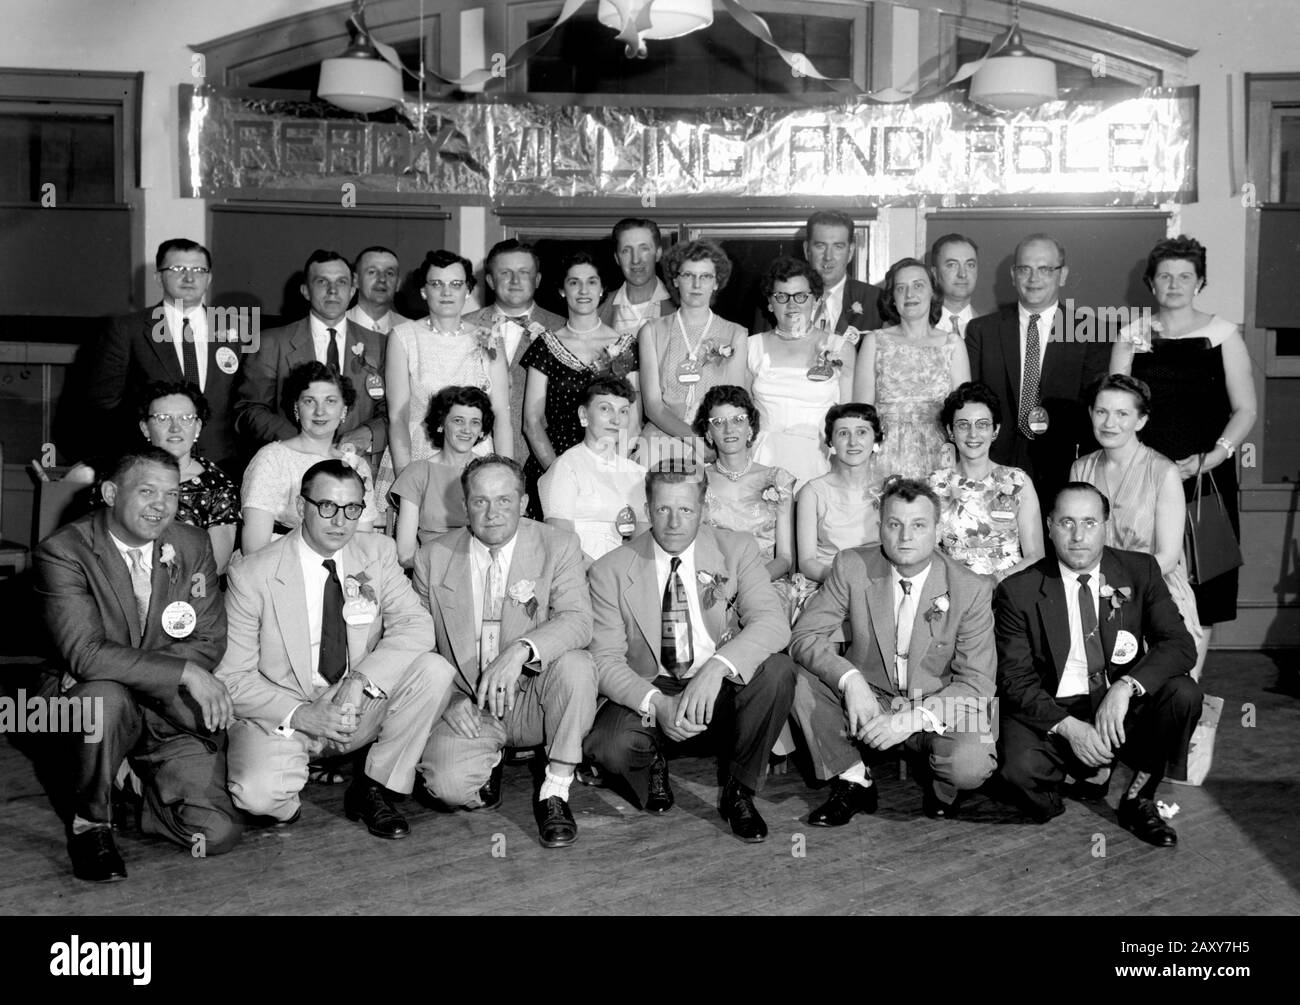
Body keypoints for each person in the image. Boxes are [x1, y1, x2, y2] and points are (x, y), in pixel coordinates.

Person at [34, 446, 242, 881]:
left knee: (217, 835)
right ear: (110, 492)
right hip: (86, 699)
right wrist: (182, 671)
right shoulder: (64, 551)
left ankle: (142, 793)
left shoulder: (190, 542)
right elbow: (85, 654)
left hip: (161, 703)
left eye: (170, 493)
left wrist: (148, 672)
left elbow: (208, 639)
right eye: (147, 491)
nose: (161, 505)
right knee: (105, 699)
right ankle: (91, 823)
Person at [217, 459, 455, 839]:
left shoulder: (377, 552)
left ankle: (374, 786)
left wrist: (360, 681)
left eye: (352, 509)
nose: (340, 521)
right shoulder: (252, 574)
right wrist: (304, 715)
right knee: (259, 797)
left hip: (353, 703)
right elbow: (232, 679)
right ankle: (291, 781)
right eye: (326, 507)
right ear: (301, 508)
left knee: (434, 670)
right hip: (286, 711)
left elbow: (415, 625)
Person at [585, 463, 796, 843]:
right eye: (663, 509)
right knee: (609, 747)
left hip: (717, 692)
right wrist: (657, 705)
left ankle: (739, 789)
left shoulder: (738, 549)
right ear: (647, 509)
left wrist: (717, 668)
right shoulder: (609, 571)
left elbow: (773, 623)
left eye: (686, 510)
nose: (674, 522)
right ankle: (652, 759)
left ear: (703, 509)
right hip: (651, 692)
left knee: (777, 672)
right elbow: (604, 661)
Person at [995, 483, 1201, 847]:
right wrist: (1071, 730)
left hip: (1119, 708)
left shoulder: (1140, 570)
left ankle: (1139, 796)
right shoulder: (1018, 590)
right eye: (1066, 523)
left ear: (1107, 524)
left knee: (1182, 692)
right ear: (1049, 525)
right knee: (1018, 774)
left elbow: (1180, 645)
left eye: (1090, 523)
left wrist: (1127, 686)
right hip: (1057, 708)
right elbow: (1014, 679)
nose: (1078, 536)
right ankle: (1078, 775)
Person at [790, 478, 998, 825]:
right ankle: (854, 777)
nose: (905, 537)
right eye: (894, 524)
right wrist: (850, 679)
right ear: (880, 526)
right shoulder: (852, 565)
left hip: (936, 701)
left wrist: (911, 720)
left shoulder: (971, 588)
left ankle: (943, 786)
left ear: (937, 529)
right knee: (798, 678)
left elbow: (976, 684)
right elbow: (804, 635)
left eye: (918, 525)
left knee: (970, 765)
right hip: (872, 696)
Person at [413, 456, 597, 848]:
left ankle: (556, 789)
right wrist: (445, 698)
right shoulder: (433, 557)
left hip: (534, 695)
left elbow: (579, 620)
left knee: (577, 665)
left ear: (525, 502)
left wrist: (520, 651)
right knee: (447, 787)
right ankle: (488, 759)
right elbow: (414, 642)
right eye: (480, 501)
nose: (492, 513)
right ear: (464, 506)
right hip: (470, 700)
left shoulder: (558, 545)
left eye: (504, 500)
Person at [1110, 235, 1256, 644]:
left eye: (1185, 276)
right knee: (1141, 584)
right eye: (1165, 276)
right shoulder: (1131, 337)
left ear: (1200, 283)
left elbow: (1246, 409)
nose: (1174, 284)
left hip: (1205, 477)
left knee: (1203, 589)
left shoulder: (1224, 334)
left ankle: (1188, 696)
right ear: (1151, 283)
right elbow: (1115, 413)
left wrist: (1214, 457)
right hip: (1143, 480)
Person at [1070, 374, 1207, 677]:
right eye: (1102, 411)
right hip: (1093, 593)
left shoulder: (1163, 471)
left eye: (1122, 414)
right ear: (1091, 413)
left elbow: (1169, 558)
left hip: (1155, 592)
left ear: (1141, 420)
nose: (1109, 423)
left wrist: (1117, 590)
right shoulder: (1081, 468)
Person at [966, 233, 1106, 506]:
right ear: (1012, 274)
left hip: (1063, 467)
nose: (1034, 278)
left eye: (1045, 269)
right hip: (992, 464)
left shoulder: (1090, 331)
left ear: (1062, 275)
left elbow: (1094, 409)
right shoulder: (983, 331)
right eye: (1024, 269)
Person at [90, 238, 245, 474]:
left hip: (221, 465)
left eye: (198, 270)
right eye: (178, 269)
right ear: (157, 277)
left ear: (209, 278)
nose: (189, 278)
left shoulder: (235, 328)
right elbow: (105, 402)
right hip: (149, 465)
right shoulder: (128, 329)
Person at [375, 249, 513, 511]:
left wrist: (506, 478)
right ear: (424, 291)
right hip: (420, 455)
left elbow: (502, 417)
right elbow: (398, 417)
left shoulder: (488, 338)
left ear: (468, 291)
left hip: (476, 456)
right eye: (437, 284)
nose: (447, 292)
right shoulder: (403, 337)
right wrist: (408, 479)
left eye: (456, 284)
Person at [234, 248, 388, 472]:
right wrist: (303, 441)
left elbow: (393, 413)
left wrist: (367, 433)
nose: (333, 291)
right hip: (290, 468)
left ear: (353, 290)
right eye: (322, 282)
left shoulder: (380, 345)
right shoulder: (271, 343)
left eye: (342, 282)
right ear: (306, 291)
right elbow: (249, 410)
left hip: (357, 470)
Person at [522, 251, 640, 517]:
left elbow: (632, 420)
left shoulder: (625, 345)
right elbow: (532, 421)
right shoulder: (545, 345)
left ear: (602, 289)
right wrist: (561, 473)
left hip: (611, 462)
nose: (583, 290)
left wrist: (610, 470)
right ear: (563, 290)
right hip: (555, 459)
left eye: (591, 281)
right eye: (574, 282)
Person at [241, 362, 377, 555]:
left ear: (344, 410)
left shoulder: (357, 465)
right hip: (279, 565)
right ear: (296, 408)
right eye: (309, 401)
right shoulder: (272, 458)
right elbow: (254, 549)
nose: (319, 411)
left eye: (330, 401)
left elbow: (363, 543)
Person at [854, 257, 970, 481]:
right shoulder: (874, 341)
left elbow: (963, 414)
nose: (910, 294)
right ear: (892, 298)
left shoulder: (952, 343)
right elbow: (862, 413)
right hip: (883, 458)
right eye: (901, 288)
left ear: (932, 293)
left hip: (940, 458)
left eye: (918, 285)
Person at [746, 256, 855, 489]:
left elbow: (850, 417)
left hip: (819, 462)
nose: (792, 305)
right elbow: (742, 415)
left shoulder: (840, 348)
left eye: (801, 296)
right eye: (782, 297)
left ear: (816, 300)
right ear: (769, 302)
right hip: (762, 460)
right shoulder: (751, 347)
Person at [461, 239, 566, 469]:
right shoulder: (464, 328)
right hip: (474, 457)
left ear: (537, 280)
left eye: (524, 272)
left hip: (541, 459)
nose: (515, 281)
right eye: (505, 273)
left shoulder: (562, 330)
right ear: (490, 280)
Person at [638, 240, 749, 450]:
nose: (697, 285)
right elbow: (653, 407)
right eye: (688, 275)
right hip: (661, 442)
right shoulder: (651, 331)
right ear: (675, 280)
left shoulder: (735, 334)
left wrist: (711, 442)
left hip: (715, 442)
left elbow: (734, 403)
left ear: (717, 282)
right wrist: (694, 440)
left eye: (706, 276)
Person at [929, 381, 1044, 582]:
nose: (973, 434)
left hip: (1009, 592)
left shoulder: (1018, 482)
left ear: (996, 430)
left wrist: (995, 581)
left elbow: (1035, 556)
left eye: (982, 425)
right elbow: (928, 554)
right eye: (963, 425)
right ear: (950, 431)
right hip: (953, 592)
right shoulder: (935, 485)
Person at [540, 375, 648, 564]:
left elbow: (644, 541)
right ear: (583, 414)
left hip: (627, 577)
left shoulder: (638, 474)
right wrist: (603, 576)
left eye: (623, 411)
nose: (616, 420)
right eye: (605, 409)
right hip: (579, 577)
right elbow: (560, 542)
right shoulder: (566, 467)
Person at [693, 385, 795, 583]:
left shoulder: (777, 480)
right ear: (708, 432)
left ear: (750, 427)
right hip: (710, 583)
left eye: (738, 420)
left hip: (765, 583)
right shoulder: (696, 481)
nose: (729, 429)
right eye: (718, 422)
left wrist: (748, 585)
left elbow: (785, 558)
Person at [391, 385, 487, 567]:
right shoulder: (418, 473)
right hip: (432, 571)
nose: (467, 429)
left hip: (481, 570)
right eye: (458, 420)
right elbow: (405, 554)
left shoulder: (491, 472)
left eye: (475, 422)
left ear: (482, 429)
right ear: (442, 424)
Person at [754, 210, 884, 336]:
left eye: (838, 246)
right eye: (820, 246)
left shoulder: (876, 301)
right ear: (806, 250)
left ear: (850, 252)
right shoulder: (777, 299)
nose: (828, 256)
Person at [796, 403, 885, 585]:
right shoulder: (812, 492)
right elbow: (807, 562)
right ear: (831, 441)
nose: (853, 442)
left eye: (861, 432)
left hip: (879, 584)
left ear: (875, 438)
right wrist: (846, 583)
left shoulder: (889, 488)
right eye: (843, 433)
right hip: (828, 583)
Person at [598, 217, 675, 337]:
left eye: (644, 249)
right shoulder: (599, 309)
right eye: (626, 251)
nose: (635, 260)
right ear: (617, 258)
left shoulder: (679, 306)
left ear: (658, 254)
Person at [346, 245, 410, 335]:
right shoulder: (336, 326)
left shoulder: (411, 331)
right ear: (355, 281)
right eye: (372, 272)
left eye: (389, 273)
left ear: (398, 284)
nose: (382, 279)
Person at [930, 233, 980, 339]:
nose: (962, 274)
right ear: (935, 273)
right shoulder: (919, 326)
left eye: (970, 265)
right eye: (952, 265)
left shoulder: (991, 327)